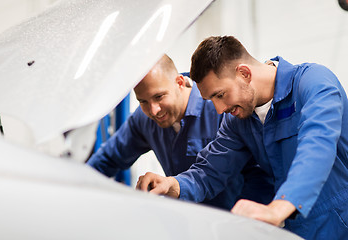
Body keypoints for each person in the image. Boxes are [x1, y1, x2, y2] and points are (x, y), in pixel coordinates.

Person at [136, 36, 348, 239]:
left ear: (244, 73)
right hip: (297, 230)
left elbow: (317, 147)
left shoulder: (313, 83)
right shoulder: (239, 121)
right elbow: (209, 171)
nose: (219, 110)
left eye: (220, 95)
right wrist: (172, 185)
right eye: (211, 100)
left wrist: (278, 208)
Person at [87, 54, 274, 210]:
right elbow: (107, 159)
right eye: (143, 101)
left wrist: (246, 225)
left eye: (159, 97)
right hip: (184, 224)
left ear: (179, 82)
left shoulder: (221, 109)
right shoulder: (144, 119)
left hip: (233, 224)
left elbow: (259, 173)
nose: (154, 110)